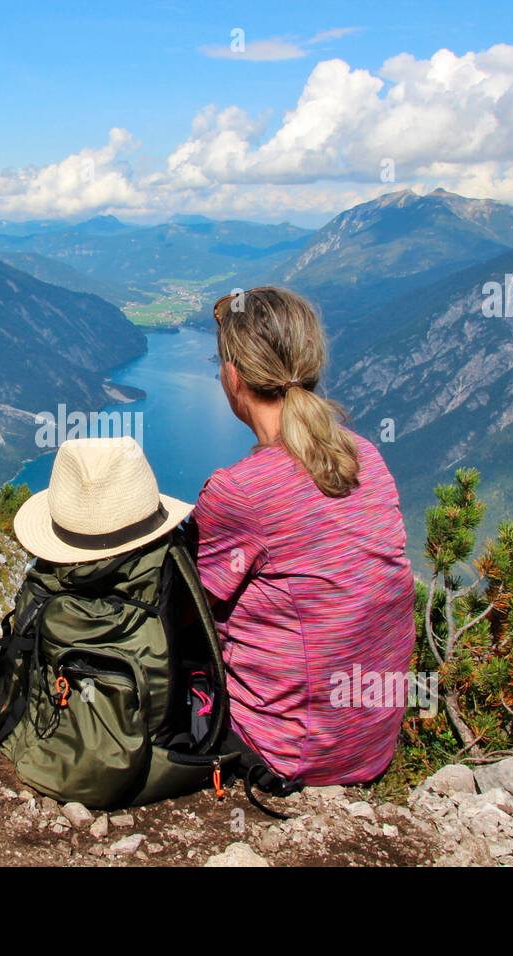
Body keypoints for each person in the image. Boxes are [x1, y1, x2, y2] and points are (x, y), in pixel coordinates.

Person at [189, 287, 416, 787]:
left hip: (282, 753)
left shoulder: (240, 490)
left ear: (233, 377)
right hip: (370, 745)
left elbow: (185, 609)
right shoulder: (367, 459)